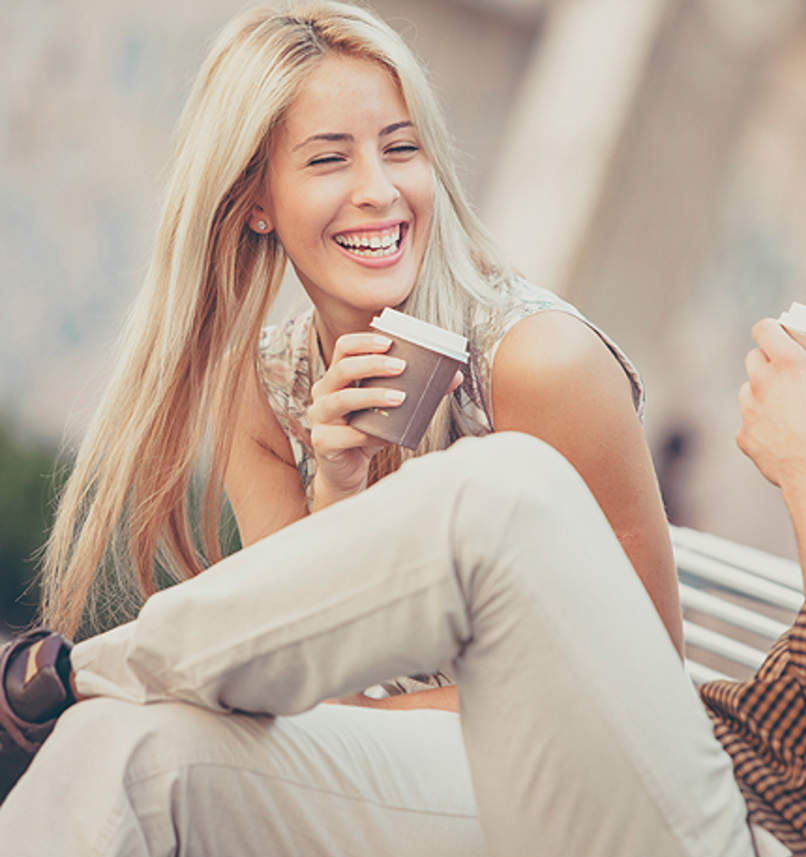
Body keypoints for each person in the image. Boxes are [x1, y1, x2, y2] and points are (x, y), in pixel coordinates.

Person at [4, 26, 806, 857]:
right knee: (133, 757)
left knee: (512, 488)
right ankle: (102, 697)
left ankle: (83, 669)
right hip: (665, 825)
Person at [35, 0, 681, 712]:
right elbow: (292, 663)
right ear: (256, 200)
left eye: (401, 149)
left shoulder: (538, 363)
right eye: (328, 159)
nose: (379, 191)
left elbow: (646, 679)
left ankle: (78, 684)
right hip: (364, 775)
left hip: (550, 784)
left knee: (164, 736)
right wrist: (338, 495)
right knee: (148, 735)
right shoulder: (265, 389)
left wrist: (358, 726)